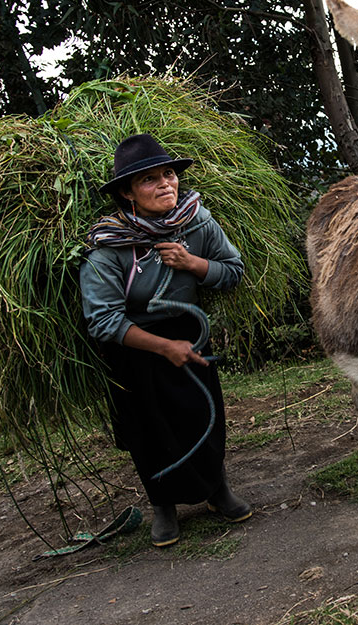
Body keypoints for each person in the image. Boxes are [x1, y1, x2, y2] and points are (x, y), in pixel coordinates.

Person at [80, 132, 250, 548]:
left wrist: (193, 263)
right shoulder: (108, 246)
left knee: (203, 414)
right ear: (127, 193)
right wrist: (163, 348)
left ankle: (216, 490)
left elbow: (233, 270)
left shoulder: (197, 222)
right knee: (149, 426)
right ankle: (164, 506)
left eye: (169, 174)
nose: (165, 185)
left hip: (188, 332)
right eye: (149, 180)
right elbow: (102, 320)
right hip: (134, 346)